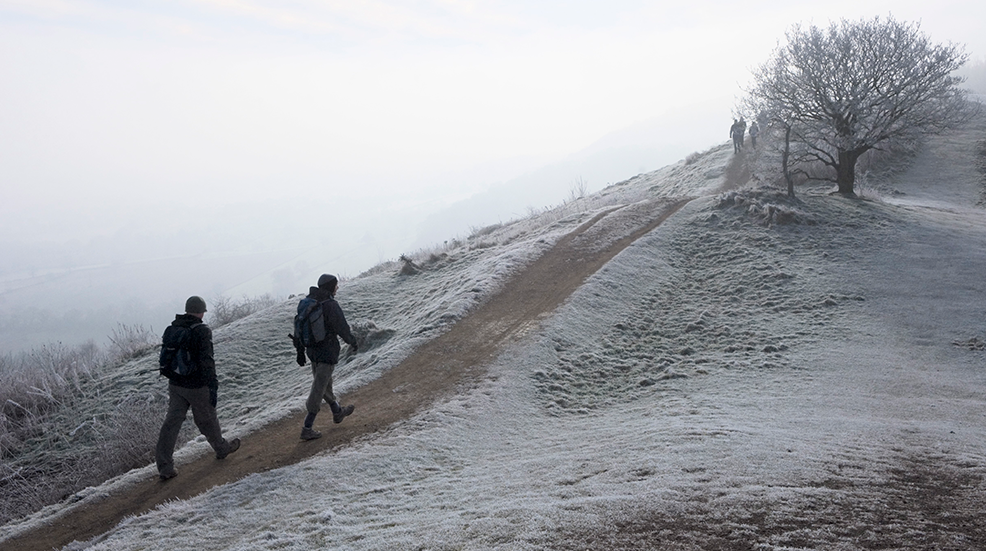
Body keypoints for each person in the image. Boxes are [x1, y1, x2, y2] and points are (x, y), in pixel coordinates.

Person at [155, 296, 240, 481]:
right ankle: (221, 448)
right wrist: (213, 385)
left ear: (187, 310)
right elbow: (206, 360)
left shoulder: (173, 327)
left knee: (171, 424)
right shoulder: (201, 330)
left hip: (175, 384)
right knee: (207, 419)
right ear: (201, 311)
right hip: (196, 385)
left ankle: (164, 467)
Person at [296, 274, 358, 441]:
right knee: (318, 388)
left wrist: (300, 351)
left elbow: (299, 327)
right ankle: (307, 428)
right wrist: (353, 342)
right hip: (327, 351)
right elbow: (342, 328)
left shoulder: (308, 302)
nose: (337, 288)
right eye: (336, 285)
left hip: (312, 351)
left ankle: (337, 412)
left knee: (324, 384)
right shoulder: (330, 305)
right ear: (330, 287)